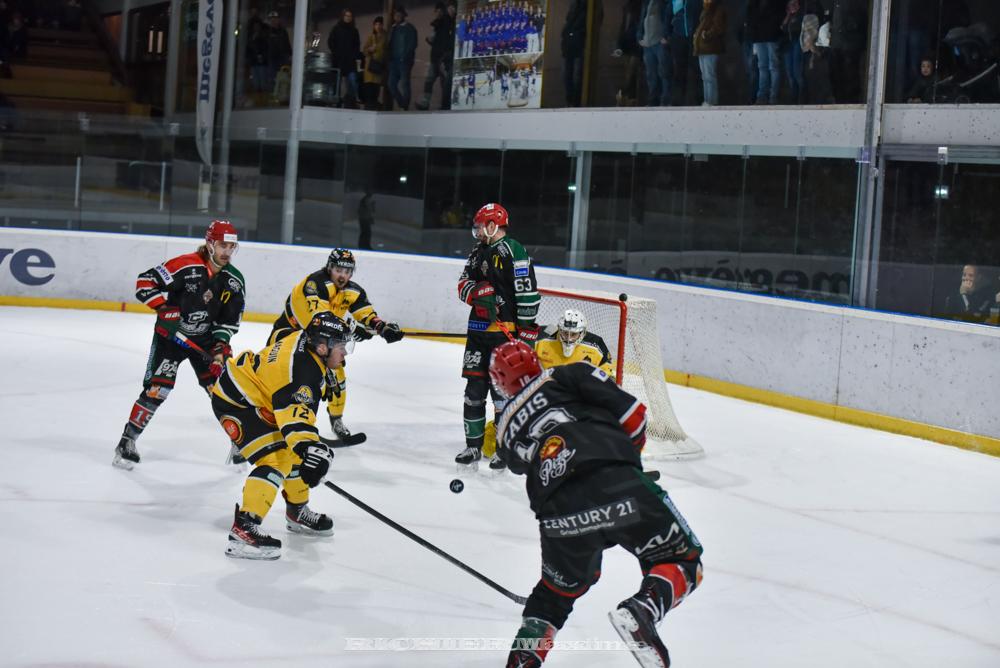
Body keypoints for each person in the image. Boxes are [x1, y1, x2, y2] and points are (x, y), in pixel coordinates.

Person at [489, 341, 704, 668]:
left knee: (553, 596)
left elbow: (520, 463)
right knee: (681, 558)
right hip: (614, 481)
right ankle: (643, 610)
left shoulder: (504, 431)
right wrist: (629, 464)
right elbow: (635, 417)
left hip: (559, 515)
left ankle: (522, 661)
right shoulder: (566, 374)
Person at [215, 312, 353, 559]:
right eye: (341, 347)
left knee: (297, 452)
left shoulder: (306, 340)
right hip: (238, 402)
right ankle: (244, 529)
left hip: (261, 397)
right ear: (322, 347)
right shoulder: (302, 375)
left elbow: (281, 337)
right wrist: (312, 449)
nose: (345, 354)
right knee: (277, 459)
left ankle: (297, 511)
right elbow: (295, 423)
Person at [112, 220, 245, 470]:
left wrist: (219, 348)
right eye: (222, 245)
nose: (227, 251)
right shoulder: (185, 265)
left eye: (232, 246)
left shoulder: (234, 280)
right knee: (157, 390)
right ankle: (127, 441)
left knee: (221, 390)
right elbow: (145, 282)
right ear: (210, 243)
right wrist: (163, 308)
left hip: (205, 341)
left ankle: (240, 443)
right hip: (171, 338)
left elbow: (229, 321)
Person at [269, 248, 404, 445]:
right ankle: (265, 418)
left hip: (320, 340)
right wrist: (352, 330)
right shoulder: (315, 283)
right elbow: (320, 320)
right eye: (339, 270)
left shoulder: (353, 291)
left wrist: (382, 327)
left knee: (336, 375)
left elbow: (365, 313)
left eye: (348, 271)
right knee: (276, 375)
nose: (343, 275)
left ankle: (336, 420)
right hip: (288, 334)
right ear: (330, 267)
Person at [455, 202, 540, 470]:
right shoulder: (477, 252)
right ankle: (473, 446)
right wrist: (476, 293)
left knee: (504, 397)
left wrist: (525, 336)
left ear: (492, 226)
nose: (476, 232)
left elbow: (528, 295)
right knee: (473, 392)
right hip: (478, 335)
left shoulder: (514, 251)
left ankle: (504, 449)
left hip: (505, 338)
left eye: (480, 227)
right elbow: (461, 285)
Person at [416, 2, 455, 110]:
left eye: (439, 11)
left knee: (443, 83)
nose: (437, 13)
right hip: (435, 58)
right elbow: (437, 40)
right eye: (436, 11)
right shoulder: (437, 24)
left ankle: (445, 105)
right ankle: (427, 103)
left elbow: (445, 41)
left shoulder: (447, 22)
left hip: (443, 58)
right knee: (430, 81)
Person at [665, 0, 703, 105]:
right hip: (678, 38)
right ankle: (677, 102)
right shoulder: (675, 1)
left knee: (697, 70)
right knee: (679, 71)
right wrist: (668, 34)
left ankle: (699, 101)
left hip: (694, 39)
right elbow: (668, 16)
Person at [746, 0, 783, 104]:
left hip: (772, 36)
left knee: (773, 66)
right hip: (759, 37)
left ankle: (773, 97)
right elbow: (751, 16)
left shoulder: (775, 3)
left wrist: (774, 28)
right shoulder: (754, 3)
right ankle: (762, 96)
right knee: (762, 67)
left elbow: (779, 13)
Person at [693, 0, 727, 106]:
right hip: (702, 48)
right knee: (705, 77)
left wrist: (706, 35)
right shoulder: (705, 8)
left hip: (711, 48)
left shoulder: (718, 8)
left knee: (710, 76)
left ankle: (712, 103)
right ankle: (707, 101)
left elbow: (719, 27)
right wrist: (697, 35)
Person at [637, 0, 670, 107]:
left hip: (659, 42)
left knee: (664, 72)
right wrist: (639, 37)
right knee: (651, 75)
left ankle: (665, 101)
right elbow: (642, 19)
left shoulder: (664, 2)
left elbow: (668, 17)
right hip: (647, 43)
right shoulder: (646, 3)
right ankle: (653, 101)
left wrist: (665, 36)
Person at [328, 8, 362, 108]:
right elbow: (330, 42)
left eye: (350, 16)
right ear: (343, 17)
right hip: (338, 60)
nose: (348, 18)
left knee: (352, 80)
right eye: (346, 16)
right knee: (337, 82)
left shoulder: (354, 31)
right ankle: (336, 100)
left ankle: (350, 100)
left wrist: (355, 56)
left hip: (350, 61)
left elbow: (357, 45)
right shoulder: (336, 28)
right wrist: (335, 52)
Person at [387, 7, 418, 110]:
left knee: (405, 84)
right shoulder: (393, 28)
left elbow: (413, 44)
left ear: (404, 16)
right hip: (394, 61)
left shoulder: (410, 28)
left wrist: (405, 57)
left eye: (399, 15)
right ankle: (403, 104)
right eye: (396, 15)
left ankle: (405, 106)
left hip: (404, 61)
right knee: (391, 84)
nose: (397, 17)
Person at [800, 13, 833, 104]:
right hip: (814, 54)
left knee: (816, 82)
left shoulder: (822, 29)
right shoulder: (820, 29)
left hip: (816, 53)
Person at [560, 0, 587, 107]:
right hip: (571, 43)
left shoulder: (586, 5)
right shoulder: (576, 4)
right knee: (570, 74)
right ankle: (572, 101)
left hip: (576, 43)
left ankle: (574, 101)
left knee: (574, 74)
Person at [780, 0, 804, 103]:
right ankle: (794, 99)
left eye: (795, 4)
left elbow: (799, 28)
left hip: (797, 42)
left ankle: (803, 98)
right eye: (790, 4)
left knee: (797, 72)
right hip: (787, 45)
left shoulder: (801, 15)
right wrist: (788, 15)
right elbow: (783, 27)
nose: (793, 6)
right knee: (790, 73)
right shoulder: (788, 16)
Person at [361, 16, 387, 110]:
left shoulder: (385, 36)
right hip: (369, 68)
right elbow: (364, 50)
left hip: (379, 67)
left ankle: (373, 107)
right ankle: (368, 107)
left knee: (376, 90)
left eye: (380, 24)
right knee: (369, 89)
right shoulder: (371, 36)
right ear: (373, 25)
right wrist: (370, 49)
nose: (378, 26)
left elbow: (386, 50)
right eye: (376, 24)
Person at [266, 11, 292, 90]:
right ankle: (272, 93)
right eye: (272, 19)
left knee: (283, 77)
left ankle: (281, 93)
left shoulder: (283, 31)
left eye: (275, 19)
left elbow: (287, 43)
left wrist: (290, 54)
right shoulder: (266, 31)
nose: (273, 21)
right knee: (272, 78)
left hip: (283, 57)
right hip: (272, 58)